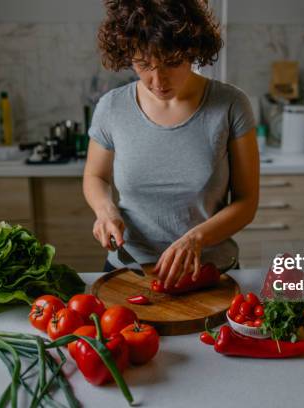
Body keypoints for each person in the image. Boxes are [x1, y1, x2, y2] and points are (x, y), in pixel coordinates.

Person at [83, 0, 259, 290]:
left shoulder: (230, 105)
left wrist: (196, 239)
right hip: (130, 272)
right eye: (143, 64)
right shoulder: (111, 107)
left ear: (193, 50)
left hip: (209, 274)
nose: (158, 80)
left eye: (171, 63)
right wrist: (105, 211)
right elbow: (95, 176)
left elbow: (247, 203)